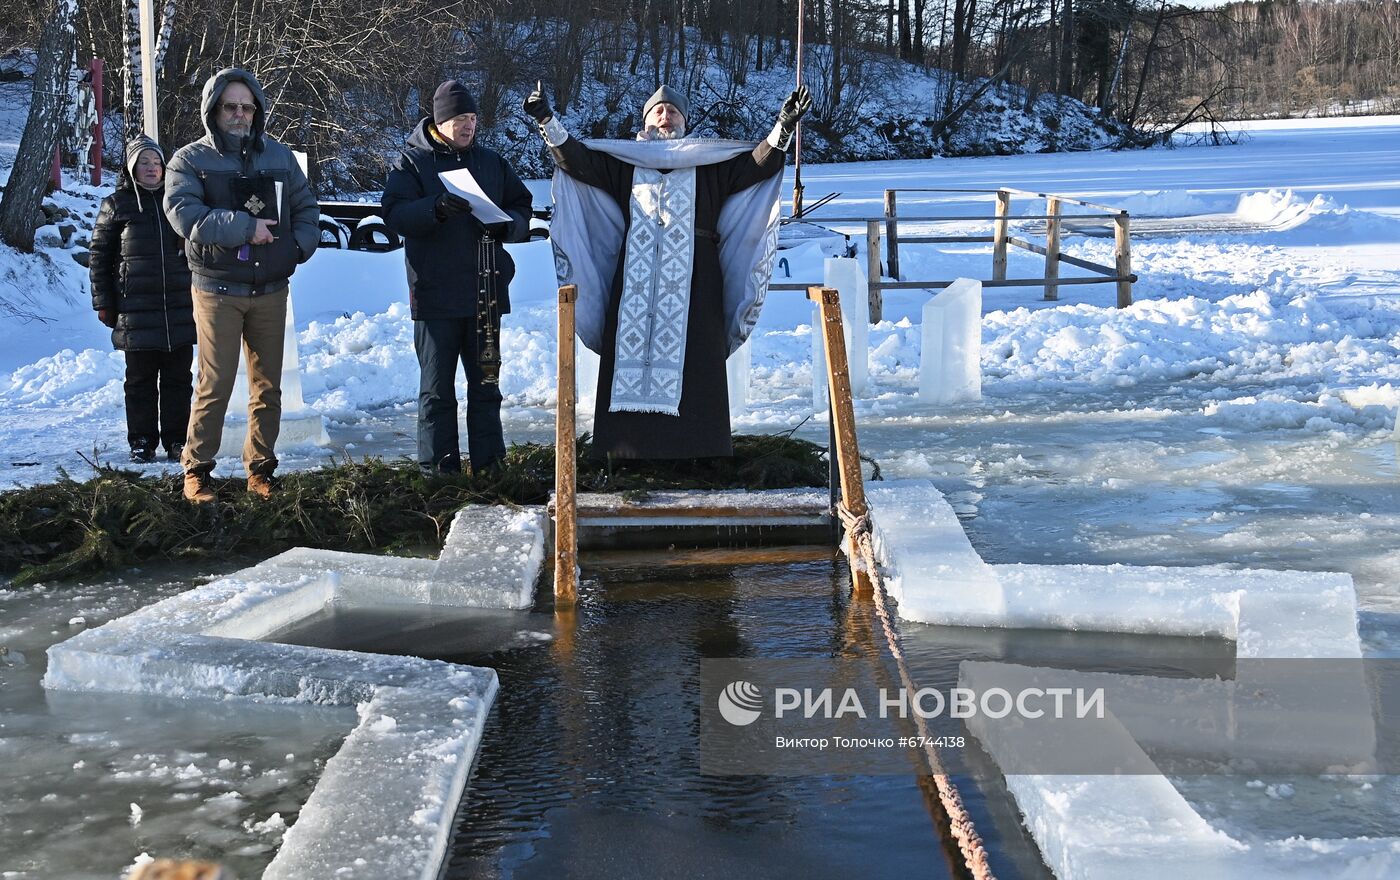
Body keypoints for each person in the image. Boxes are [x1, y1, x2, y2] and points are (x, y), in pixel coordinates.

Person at [524, 82, 811, 459]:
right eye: (657, 110)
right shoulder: (625, 163)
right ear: (645, 121)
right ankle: (622, 453)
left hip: (697, 278)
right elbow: (579, 161)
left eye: (673, 111)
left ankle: (701, 452)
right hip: (635, 280)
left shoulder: (706, 164)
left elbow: (755, 165)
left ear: (685, 121)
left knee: (698, 359)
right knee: (628, 353)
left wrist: (783, 126)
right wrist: (546, 119)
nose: (665, 116)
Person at [164, 67, 320, 502]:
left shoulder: (280, 157)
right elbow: (184, 214)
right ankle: (196, 471)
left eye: (246, 107)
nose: (238, 114)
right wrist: (244, 227)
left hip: (270, 289)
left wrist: (295, 249)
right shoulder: (189, 160)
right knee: (214, 384)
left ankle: (261, 470)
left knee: (268, 386)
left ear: (257, 111)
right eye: (230, 106)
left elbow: (307, 208)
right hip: (217, 290)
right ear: (214, 110)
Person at [382, 80, 534, 474]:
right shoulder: (412, 163)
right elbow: (395, 215)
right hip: (434, 295)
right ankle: (438, 474)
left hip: (486, 293)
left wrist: (510, 226)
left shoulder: (491, 161)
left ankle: (491, 469)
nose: (468, 126)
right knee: (436, 392)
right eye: (459, 119)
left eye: (472, 118)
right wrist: (434, 208)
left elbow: (522, 206)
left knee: (486, 388)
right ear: (439, 119)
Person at [89, 134, 195, 464]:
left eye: (156, 162)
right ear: (132, 168)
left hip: (179, 308)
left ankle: (178, 440)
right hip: (135, 310)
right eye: (144, 162)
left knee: (179, 380)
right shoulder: (116, 204)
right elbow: (99, 257)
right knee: (139, 382)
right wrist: (104, 302)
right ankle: (142, 441)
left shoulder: (178, 201)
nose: (151, 168)